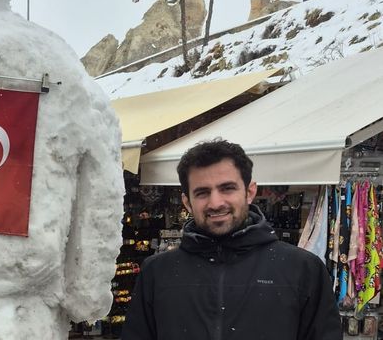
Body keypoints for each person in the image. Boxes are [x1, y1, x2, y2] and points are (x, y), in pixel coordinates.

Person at [123, 139, 341, 340]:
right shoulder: (157, 273)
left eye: (227, 188)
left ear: (249, 191)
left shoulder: (303, 269)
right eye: (202, 192)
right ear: (187, 202)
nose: (216, 202)